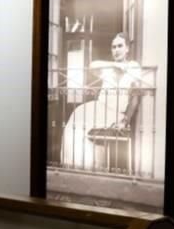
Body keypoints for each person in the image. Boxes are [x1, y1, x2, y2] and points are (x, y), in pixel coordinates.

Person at [60, 32, 143, 171]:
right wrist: (114, 65)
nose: (116, 50)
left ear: (127, 48)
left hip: (116, 113)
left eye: (120, 46)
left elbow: (135, 97)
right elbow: (92, 65)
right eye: (113, 47)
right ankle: (75, 166)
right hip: (99, 107)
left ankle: (92, 166)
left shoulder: (134, 66)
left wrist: (125, 120)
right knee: (75, 123)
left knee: (83, 127)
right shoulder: (108, 68)